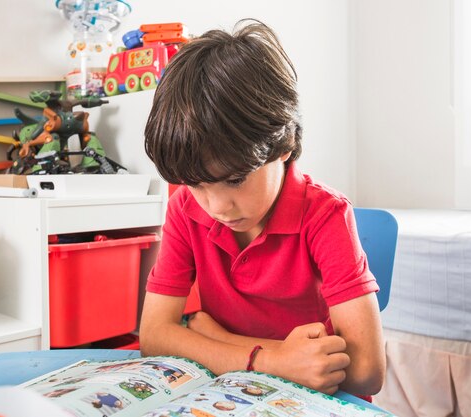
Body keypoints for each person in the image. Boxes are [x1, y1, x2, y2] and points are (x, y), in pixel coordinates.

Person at [139, 19, 385, 398]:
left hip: (319, 399)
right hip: (233, 393)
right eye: (198, 184)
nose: (217, 206)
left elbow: (367, 371)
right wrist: (273, 361)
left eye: (235, 179)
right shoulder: (185, 209)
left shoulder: (326, 215)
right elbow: (154, 336)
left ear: (284, 143)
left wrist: (214, 339)